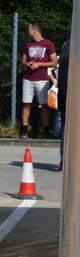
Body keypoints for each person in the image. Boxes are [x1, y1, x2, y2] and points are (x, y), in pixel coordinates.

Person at [21, 21, 58, 139]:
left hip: (42, 78)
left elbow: (54, 62)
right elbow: (23, 61)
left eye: (29, 29)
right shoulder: (28, 45)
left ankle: (46, 130)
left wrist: (39, 64)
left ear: (35, 30)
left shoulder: (48, 44)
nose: (28, 31)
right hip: (28, 78)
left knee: (44, 105)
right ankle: (24, 130)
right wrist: (28, 64)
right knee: (26, 104)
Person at [60, 38, 71, 170]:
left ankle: (64, 161)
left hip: (65, 96)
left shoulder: (67, 48)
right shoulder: (72, 50)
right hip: (71, 96)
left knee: (65, 129)